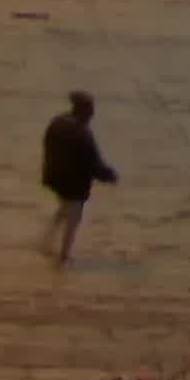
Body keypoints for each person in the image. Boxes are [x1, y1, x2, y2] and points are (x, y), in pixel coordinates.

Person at [38, 91, 118, 265]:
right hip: (74, 185)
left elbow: (46, 144)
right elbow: (94, 164)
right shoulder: (83, 134)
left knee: (62, 210)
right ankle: (63, 257)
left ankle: (45, 243)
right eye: (90, 111)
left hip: (54, 178)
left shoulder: (57, 122)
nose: (92, 115)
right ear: (85, 111)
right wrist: (111, 176)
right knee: (73, 220)